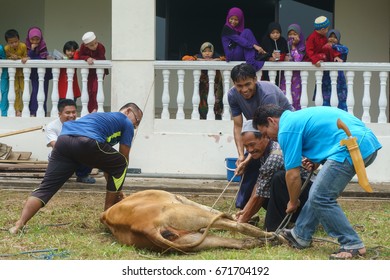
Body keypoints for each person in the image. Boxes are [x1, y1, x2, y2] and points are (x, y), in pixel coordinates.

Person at [252, 104, 382, 260]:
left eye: (265, 133)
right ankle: (300, 235)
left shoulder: (286, 128)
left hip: (351, 146)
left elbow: (292, 174)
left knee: (320, 197)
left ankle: (352, 243)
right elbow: (327, 136)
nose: (268, 137)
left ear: (271, 121)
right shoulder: (296, 119)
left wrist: (293, 202)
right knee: (318, 194)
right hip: (363, 142)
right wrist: (316, 161)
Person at [9, 102, 143, 234]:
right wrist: (117, 191)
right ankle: (107, 214)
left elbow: (108, 165)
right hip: (86, 142)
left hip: (63, 141)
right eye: (137, 120)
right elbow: (123, 158)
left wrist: (116, 189)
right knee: (121, 163)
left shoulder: (101, 119)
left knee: (46, 188)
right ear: (128, 111)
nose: (135, 126)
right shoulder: (125, 121)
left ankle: (19, 224)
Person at [227, 63, 293, 209]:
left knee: (263, 165)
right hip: (259, 129)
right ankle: (242, 208)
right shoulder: (232, 95)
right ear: (234, 84)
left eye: (247, 84)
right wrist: (241, 157)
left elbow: (270, 128)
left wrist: (250, 156)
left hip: (281, 131)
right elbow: (238, 125)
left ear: (255, 79)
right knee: (249, 164)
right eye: (239, 86)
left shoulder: (267, 94)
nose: (244, 90)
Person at [235, 120, 311, 231]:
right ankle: (287, 220)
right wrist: (245, 211)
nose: (250, 150)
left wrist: (240, 223)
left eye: (252, 144)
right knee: (264, 183)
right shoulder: (265, 150)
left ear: (265, 137)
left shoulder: (275, 155)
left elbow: (259, 196)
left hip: (306, 198)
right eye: (246, 146)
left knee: (279, 178)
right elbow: (260, 185)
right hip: (294, 196)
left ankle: (274, 227)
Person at [46, 99, 96, 184]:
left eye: (74, 112)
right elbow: (55, 145)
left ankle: (82, 175)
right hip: (60, 156)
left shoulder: (80, 123)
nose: (72, 115)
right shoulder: (51, 126)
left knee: (92, 148)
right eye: (68, 113)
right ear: (59, 114)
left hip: (77, 154)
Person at [182, 42, 224, 119]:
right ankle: (203, 117)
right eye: (204, 51)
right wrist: (198, 59)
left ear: (213, 51)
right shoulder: (197, 57)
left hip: (216, 83)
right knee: (202, 100)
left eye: (209, 51)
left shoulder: (217, 56)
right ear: (201, 52)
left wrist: (215, 60)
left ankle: (217, 116)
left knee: (217, 99)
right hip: (203, 84)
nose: (207, 53)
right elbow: (184, 58)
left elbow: (227, 58)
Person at [221, 7, 265, 72]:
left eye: (236, 20)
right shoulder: (226, 28)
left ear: (240, 20)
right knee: (247, 32)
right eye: (231, 19)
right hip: (232, 55)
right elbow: (239, 40)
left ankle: (255, 57)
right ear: (228, 18)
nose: (233, 21)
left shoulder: (237, 30)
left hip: (238, 54)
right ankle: (253, 60)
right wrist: (254, 46)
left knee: (246, 35)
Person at [25, 26, 53, 116]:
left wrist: (48, 57)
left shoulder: (43, 45)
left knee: (44, 92)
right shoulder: (27, 46)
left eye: (37, 39)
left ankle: (43, 112)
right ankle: (33, 111)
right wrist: (32, 49)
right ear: (29, 39)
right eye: (33, 39)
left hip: (44, 73)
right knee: (35, 91)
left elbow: (44, 55)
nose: (35, 42)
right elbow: (29, 56)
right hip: (34, 73)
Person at [79, 31, 109, 113]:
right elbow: (80, 56)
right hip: (89, 72)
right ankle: (90, 109)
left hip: (99, 72)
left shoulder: (101, 47)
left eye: (95, 43)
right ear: (86, 45)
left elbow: (101, 58)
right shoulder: (83, 47)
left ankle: (95, 109)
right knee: (89, 90)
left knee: (96, 89)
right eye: (91, 45)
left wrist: (94, 60)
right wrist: (87, 58)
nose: (95, 46)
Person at [279, 23, 306, 110]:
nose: (292, 36)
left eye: (295, 34)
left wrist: (294, 47)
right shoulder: (285, 46)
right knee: (284, 98)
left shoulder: (302, 47)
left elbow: (298, 60)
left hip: (296, 79)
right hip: (285, 78)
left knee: (296, 100)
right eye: (290, 34)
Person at [321, 29, 349, 111]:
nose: (332, 39)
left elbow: (345, 50)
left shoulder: (341, 49)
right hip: (326, 78)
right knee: (326, 102)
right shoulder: (324, 48)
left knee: (341, 101)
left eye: (335, 37)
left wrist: (332, 46)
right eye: (330, 37)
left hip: (339, 79)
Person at [4, 29, 28, 116]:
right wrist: (11, 58)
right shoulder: (6, 48)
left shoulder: (23, 46)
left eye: (16, 41)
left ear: (19, 39)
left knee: (24, 90)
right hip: (12, 74)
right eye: (11, 42)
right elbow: (5, 59)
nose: (14, 44)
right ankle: (17, 110)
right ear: (7, 42)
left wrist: (22, 58)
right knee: (15, 91)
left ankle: (24, 109)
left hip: (23, 73)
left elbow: (27, 57)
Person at [0, 43, 9, 117]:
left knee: (4, 93)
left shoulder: (0, 48)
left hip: (3, 75)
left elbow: (3, 58)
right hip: (3, 74)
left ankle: (3, 113)